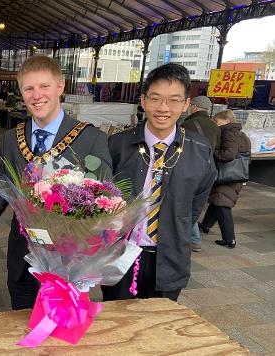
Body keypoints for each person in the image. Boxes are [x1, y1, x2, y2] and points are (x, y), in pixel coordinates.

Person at [0, 55, 112, 310]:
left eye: (44, 86)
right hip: (22, 258)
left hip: (69, 264)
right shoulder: (11, 139)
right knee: (21, 327)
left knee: (63, 339)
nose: (37, 95)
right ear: (21, 92)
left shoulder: (91, 138)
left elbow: (104, 201)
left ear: (60, 87)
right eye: (29, 88)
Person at [102, 63, 216, 302]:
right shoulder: (117, 145)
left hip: (170, 256)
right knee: (117, 322)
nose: (163, 108)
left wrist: (177, 227)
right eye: (155, 98)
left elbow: (196, 204)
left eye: (174, 100)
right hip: (121, 255)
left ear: (186, 104)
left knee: (159, 327)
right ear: (143, 101)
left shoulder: (199, 149)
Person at [199, 109, 251, 249]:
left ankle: (229, 239)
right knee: (218, 200)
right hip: (236, 174)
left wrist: (211, 151)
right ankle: (205, 225)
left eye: (217, 121)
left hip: (227, 174)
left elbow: (229, 154)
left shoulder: (227, 132)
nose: (215, 124)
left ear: (227, 121)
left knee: (222, 205)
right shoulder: (241, 134)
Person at [182, 95, 221, 252]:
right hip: (208, 169)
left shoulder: (188, 124)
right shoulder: (215, 126)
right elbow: (217, 148)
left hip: (190, 168)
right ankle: (193, 237)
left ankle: (194, 238)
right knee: (196, 202)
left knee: (186, 202)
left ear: (195, 107)